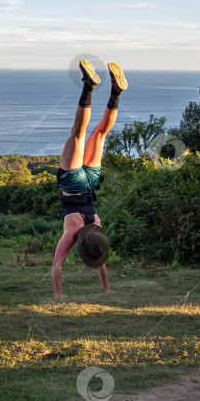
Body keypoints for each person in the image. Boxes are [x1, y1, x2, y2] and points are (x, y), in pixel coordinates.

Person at [52, 58, 127, 298]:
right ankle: (88, 86)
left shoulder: (97, 228)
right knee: (78, 133)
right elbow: (57, 264)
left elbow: (98, 259)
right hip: (72, 184)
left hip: (90, 183)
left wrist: (107, 289)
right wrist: (58, 294)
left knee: (100, 133)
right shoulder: (76, 234)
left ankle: (116, 92)